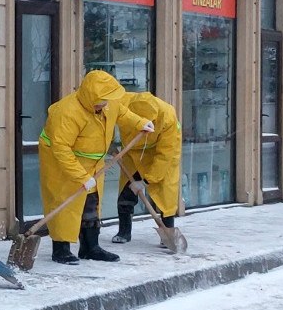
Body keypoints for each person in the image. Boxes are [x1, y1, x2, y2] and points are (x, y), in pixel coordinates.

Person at [38, 70, 151, 265]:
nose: (106, 104)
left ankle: (90, 247)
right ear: (92, 97)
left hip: (93, 161)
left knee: (92, 201)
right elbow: (61, 149)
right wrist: (81, 176)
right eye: (102, 101)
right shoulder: (67, 112)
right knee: (65, 203)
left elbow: (122, 113)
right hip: (62, 161)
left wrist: (141, 122)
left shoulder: (107, 102)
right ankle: (61, 249)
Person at [112, 92, 182, 244]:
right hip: (131, 152)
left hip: (159, 152)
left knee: (165, 194)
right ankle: (124, 232)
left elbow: (165, 155)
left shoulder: (168, 116)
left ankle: (167, 234)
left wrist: (145, 181)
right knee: (126, 191)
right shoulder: (121, 103)